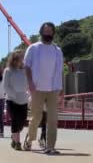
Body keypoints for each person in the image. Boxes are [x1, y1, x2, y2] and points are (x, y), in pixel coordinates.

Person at [24, 22, 63, 155]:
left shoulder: (57, 50)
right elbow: (27, 66)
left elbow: (59, 71)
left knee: (53, 119)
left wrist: (60, 89)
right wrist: (30, 83)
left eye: (50, 32)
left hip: (53, 89)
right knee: (37, 117)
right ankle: (30, 139)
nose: (47, 34)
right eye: (45, 32)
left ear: (53, 33)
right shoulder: (33, 48)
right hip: (37, 88)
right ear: (41, 32)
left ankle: (50, 147)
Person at [3, 50, 28, 151]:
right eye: (18, 58)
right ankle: (18, 143)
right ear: (13, 59)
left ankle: (14, 137)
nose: (21, 60)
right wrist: (14, 95)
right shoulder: (8, 70)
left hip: (23, 99)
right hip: (12, 100)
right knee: (15, 120)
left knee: (22, 122)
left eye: (22, 58)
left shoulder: (25, 70)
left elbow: (29, 83)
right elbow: (6, 86)